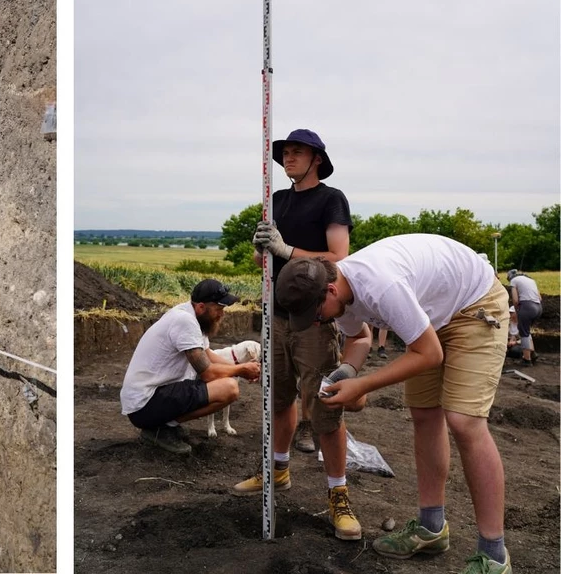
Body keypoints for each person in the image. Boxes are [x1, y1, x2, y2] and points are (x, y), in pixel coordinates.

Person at [277, 233, 512, 573]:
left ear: (329, 291)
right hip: (431, 315)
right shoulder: (335, 294)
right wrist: (347, 372)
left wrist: (363, 385)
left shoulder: (379, 284)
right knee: (424, 415)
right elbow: (359, 337)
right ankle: (432, 529)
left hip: (474, 305)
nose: (317, 322)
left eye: (315, 315)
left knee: (464, 421)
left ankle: (494, 555)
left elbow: (430, 354)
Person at [231, 128, 360, 541]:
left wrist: (288, 251)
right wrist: (263, 249)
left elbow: (340, 259)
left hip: (314, 319)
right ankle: (278, 469)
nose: (288, 158)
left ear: (316, 159)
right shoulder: (277, 199)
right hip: (276, 316)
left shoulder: (331, 199)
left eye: (297, 152)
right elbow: (263, 261)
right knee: (278, 396)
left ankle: (338, 496)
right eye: (285, 152)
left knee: (323, 408)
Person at [120, 279, 261, 455]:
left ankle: (164, 424)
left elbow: (209, 355)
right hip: (144, 404)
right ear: (201, 307)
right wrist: (240, 370)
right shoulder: (185, 321)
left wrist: (244, 368)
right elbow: (208, 372)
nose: (221, 315)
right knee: (229, 388)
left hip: (155, 394)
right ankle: (160, 429)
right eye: (218, 309)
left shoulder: (192, 317)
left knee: (227, 382)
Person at [507, 269, 541, 366]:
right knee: (527, 331)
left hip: (527, 307)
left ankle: (527, 359)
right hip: (538, 307)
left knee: (524, 333)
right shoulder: (531, 280)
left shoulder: (514, 281)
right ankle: (532, 353)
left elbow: (515, 299)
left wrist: (518, 310)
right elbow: (540, 297)